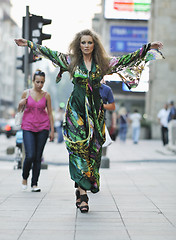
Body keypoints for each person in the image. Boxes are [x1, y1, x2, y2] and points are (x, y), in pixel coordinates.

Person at [15, 29, 163, 213]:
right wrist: (29, 44)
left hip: (94, 115)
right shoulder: (71, 61)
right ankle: (83, 196)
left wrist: (147, 48)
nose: (86, 46)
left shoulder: (103, 63)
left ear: (95, 45)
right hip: (76, 113)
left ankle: (80, 190)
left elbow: (126, 60)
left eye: (89, 42)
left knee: (92, 153)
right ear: (79, 45)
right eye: (83, 42)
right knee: (78, 150)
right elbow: (49, 53)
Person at [17, 69, 54, 192]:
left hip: (43, 128)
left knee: (38, 157)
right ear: (33, 81)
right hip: (28, 127)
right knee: (30, 155)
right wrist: (20, 103)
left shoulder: (46, 95)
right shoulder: (26, 93)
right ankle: (24, 177)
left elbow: (50, 114)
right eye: (37, 82)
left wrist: (52, 131)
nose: (39, 85)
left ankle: (34, 184)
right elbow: (19, 110)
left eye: (42, 82)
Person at [99, 79, 115, 156]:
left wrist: (101, 106)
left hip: (101, 120)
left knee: (103, 143)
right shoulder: (85, 87)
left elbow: (112, 106)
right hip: (87, 121)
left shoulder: (106, 89)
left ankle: (103, 158)